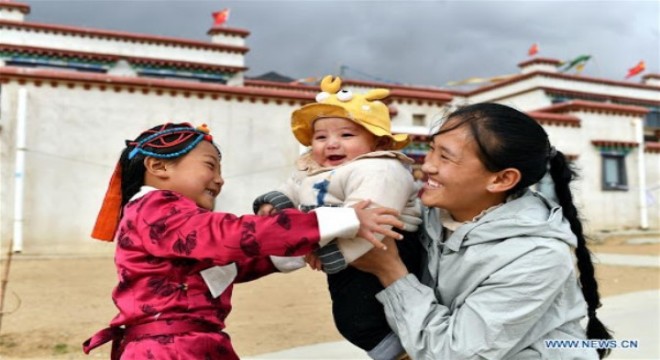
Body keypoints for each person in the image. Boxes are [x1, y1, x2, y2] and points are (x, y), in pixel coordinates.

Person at [82, 122, 404, 360]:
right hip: (169, 349)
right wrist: (337, 219)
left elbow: (227, 265)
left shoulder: (175, 225)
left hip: (193, 343)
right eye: (210, 165)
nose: (220, 179)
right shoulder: (155, 208)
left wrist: (303, 248)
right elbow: (229, 237)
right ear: (158, 166)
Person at [352, 102, 613, 359]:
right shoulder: (429, 214)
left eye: (445, 156)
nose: (428, 165)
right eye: (431, 149)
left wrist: (389, 270)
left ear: (501, 179)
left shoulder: (537, 257)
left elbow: (453, 354)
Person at [253, 75, 422, 360]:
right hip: (340, 251)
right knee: (351, 318)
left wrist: (332, 252)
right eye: (321, 137)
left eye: (346, 135)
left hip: (384, 245)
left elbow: (371, 217)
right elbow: (294, 187)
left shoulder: (380, 168)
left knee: (365, 317)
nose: (331, 144)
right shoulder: (315, 170)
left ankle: (406, 351)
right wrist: (274, 202)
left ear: (377, 141)